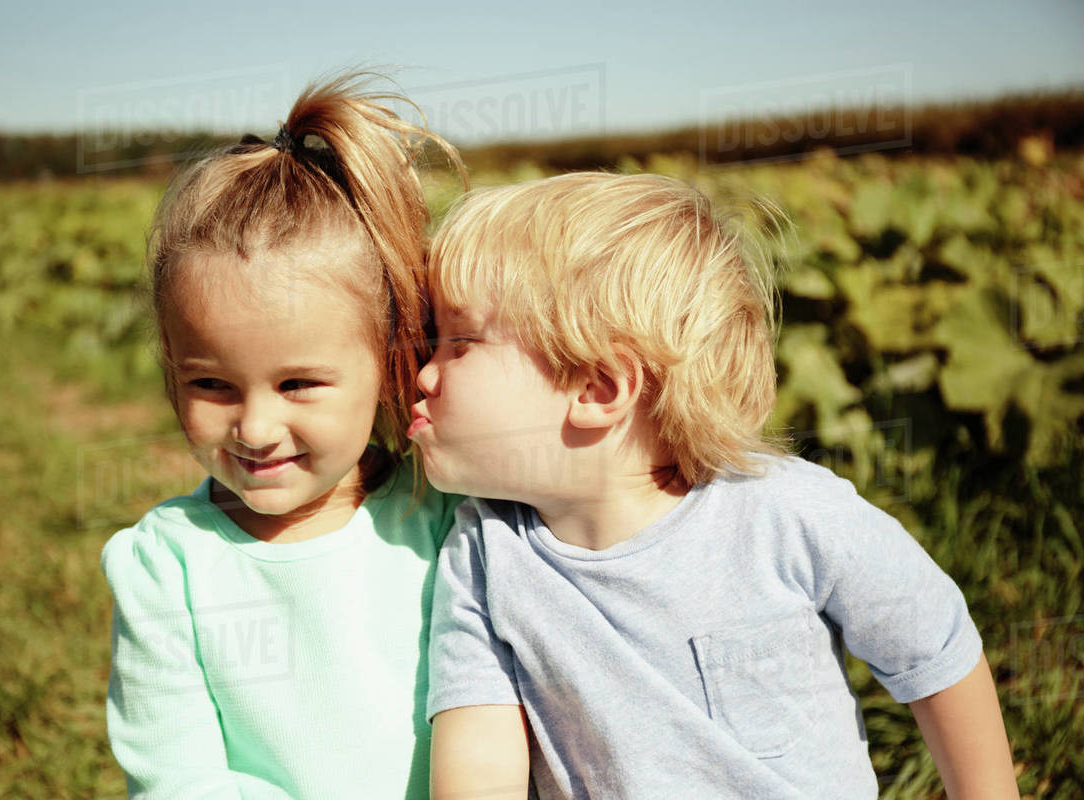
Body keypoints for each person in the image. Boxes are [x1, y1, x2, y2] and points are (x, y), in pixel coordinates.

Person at [410, 172, 1019, 799]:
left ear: (597, 389)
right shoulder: (486, 552)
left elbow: (936, 650)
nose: (424, 373)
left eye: (459, 343)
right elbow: (479, 751)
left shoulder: (786, 512)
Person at [101, 73, 464, 799]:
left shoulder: (448, 518)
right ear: (171, 369)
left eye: (298, 384)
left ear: (391, 355)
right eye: (212, 385)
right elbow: (181, 778)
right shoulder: (165, 567)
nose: (257, 430)